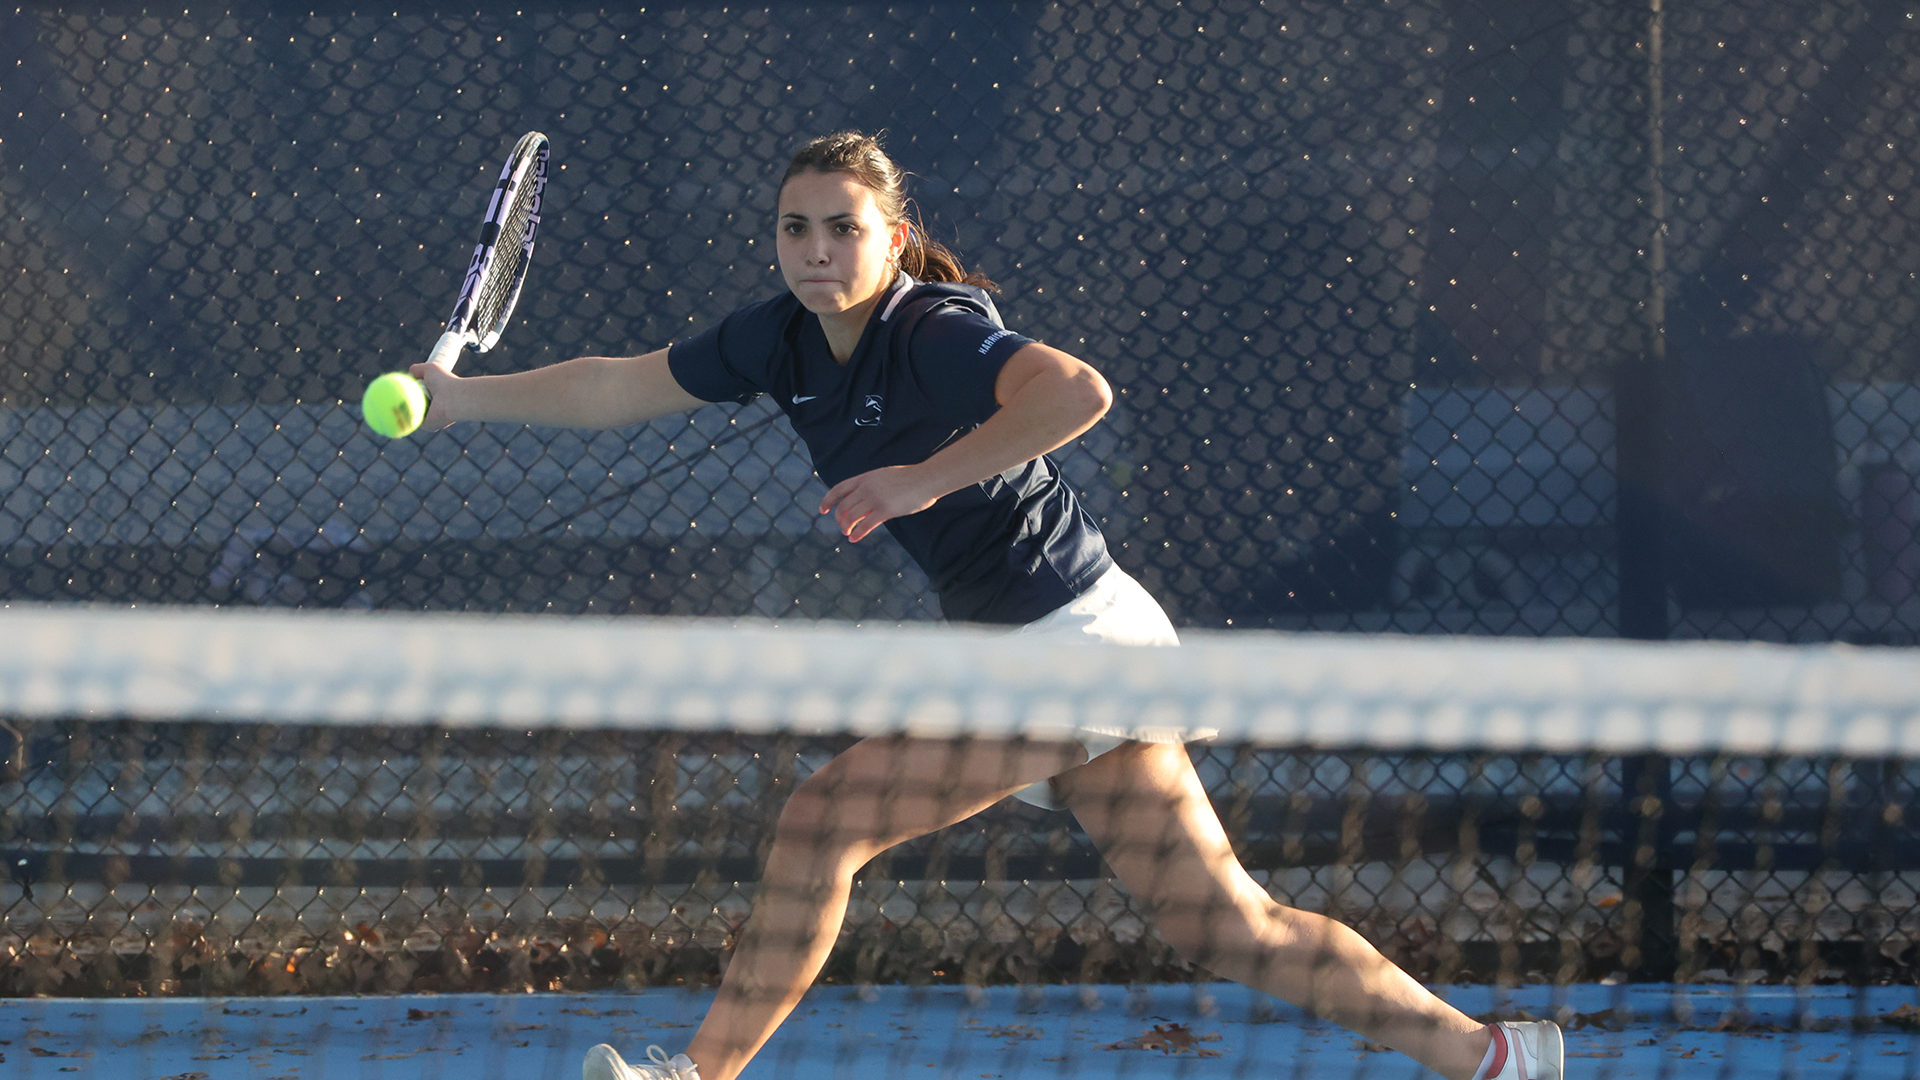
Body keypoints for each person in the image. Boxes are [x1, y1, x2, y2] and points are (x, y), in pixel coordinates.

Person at [410, 131, 1563, 1080]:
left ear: (892, 238)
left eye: (842, 228)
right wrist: (463, 401)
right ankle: (1496, 1059)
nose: (815, 250)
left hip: (1076, 643)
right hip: (1052, 643)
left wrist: (920, 476)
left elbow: (1078, 391)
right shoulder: (777, 337)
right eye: (794, 228)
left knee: (825, 818)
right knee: (1226, 927)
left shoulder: (935, 331)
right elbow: (622, 382)